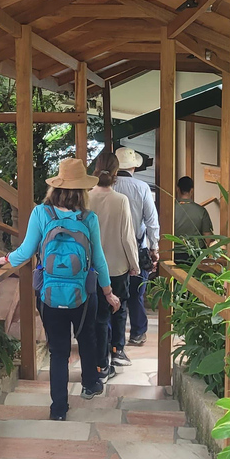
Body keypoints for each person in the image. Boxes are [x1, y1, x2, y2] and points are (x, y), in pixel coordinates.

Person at [0, 158, 120, 421]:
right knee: (87, 338)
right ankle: (89, 384)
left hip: (48, 293)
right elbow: (99, 259)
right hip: (83, 293)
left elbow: (26, 251)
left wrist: (5, 259)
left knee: (58, 351)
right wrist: (108, 292)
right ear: (82, 190)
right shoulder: (88, 217)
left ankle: (58, 409)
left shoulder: (41, 213)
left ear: (55, 186)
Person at [89, 153, 141, 377]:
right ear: (115, 173)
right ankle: (117, 349)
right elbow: (127, 237)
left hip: (91, 268)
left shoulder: (85, 198)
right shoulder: (120, 200)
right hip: (117, 266)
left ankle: (100, 363)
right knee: (118, 310)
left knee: (97, 315)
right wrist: (134, 264)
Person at [112, 147, 160, 346]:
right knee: (136, 293)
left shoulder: (106, 186)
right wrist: (154, 247)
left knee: (112, 294)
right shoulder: (142, 187)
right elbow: (151, 220)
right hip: (138, 248)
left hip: (110, 249)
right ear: (133, 166)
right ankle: (138, 333)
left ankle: (112, 337)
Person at [174, 176, 214, 264]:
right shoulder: (201, 211)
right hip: (195, 256)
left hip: (174, 255)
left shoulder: (170, 210)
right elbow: (207, 237)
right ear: (192, 190)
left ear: (177, 189)